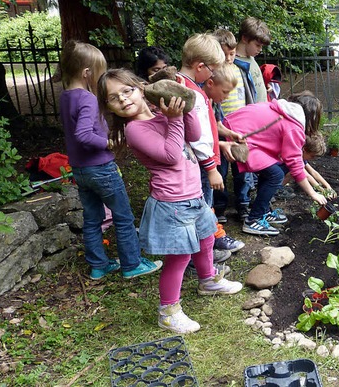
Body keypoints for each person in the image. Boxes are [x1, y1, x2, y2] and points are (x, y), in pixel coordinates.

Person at [97, 69, 243, 334]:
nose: (123, 99)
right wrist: (174, 119)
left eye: (127, 91)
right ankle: (168, 312)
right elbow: (171, 155)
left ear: (141, 89)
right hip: (172, 202)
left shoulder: (160, 115)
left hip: (193, 194)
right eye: (113, 98)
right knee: (179, 256)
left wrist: (183, 109)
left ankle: (208, 280)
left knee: (206, 238)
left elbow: (195, 132)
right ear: (109, 107)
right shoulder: (135, 130)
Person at [59, 41, 162, 281]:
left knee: (92, 218)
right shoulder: (86, 98)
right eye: (98, 72)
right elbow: (83, 134)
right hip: (100, 168)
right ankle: (131, 264)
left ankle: (98, 265)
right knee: (123, 216)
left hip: (80, 169)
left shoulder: (66, 96)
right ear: (87, 73)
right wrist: (106, 143)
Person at [223, 91, 328, 236]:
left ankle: (263, 210)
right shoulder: (294, 124)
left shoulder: (285, 109)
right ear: (312, 116)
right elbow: (295, 163)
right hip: (240, 136)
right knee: (275, 174)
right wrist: (313, 193)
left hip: (234, 129)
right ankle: (253, 219)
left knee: (275, 169)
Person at [177, 33, 245, 258]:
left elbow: (210, 129)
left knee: (201, 207)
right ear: (200, 66)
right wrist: (212, 168)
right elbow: (198, 137)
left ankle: (205, 248)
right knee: (203, 208)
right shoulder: (193, 95)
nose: (212, 75)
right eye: (212, 69)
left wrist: (224, 140)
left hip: (193, 162)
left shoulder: (181, 84)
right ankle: (204, 253)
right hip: (199, 164)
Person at [212, 28, 253, 221]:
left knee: (242, 168)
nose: (228, 58)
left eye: (232, 53)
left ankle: (243, 204)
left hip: (241, 128)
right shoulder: (212, 77)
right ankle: (219, 206)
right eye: (224, 54)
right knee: (220, 168)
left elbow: (248, 96)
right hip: (219, 128)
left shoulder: (240, 70)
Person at [279, 133, 337, 200]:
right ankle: (276, 190)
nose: (312, 159)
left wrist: (328, 187)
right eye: (312, 156)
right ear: (304, 150)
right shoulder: (295, 157)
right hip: (271, 178)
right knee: (292, 173)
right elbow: (306, 175)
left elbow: (313, 172)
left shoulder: (301, 154)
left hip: (277, 175)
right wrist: (323, 191)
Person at [235, 17, 271, 104]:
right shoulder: (234, 63)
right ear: (245, 38)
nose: (260, 49)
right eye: (257, 45)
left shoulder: (251, 58)